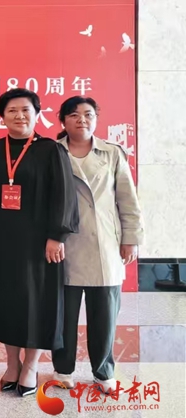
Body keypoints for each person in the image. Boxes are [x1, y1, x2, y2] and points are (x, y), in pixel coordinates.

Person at [0, 88, 79, 397]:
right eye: (12, 111)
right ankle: (12, 363)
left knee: (36, 303)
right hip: (0, 241)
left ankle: (31, 366)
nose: (19, 116)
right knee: (7, 302)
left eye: (26, 110)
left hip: (39, 243)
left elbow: (64, 195)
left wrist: (56, 236)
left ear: (37, 114)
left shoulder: (51, 150)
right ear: (1, 116)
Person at [51, 96, 144, 393]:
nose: (82, 120)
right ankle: (63, 369)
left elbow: (127, 199)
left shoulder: (112, 153)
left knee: (104, 315)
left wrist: (131, 238)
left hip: (104, 243)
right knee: (63, 315)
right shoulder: (52, 152)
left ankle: (103, 372)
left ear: (96, 119)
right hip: (63, 243)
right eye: (74, 115)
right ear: (63, 120)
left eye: (88, 114)